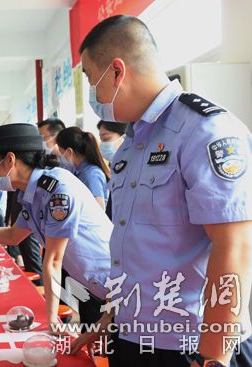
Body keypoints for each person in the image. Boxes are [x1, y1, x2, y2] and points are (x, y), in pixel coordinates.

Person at [72, 15, 252, 367]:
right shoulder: (131, 145)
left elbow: (236, 248)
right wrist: (109, 321)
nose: (96, 96)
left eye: (94, 82)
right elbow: (129, 252)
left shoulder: (205, 131)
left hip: (191, 346)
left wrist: (215, 356)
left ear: (117, 72)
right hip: (133, 338)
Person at [0, 123, 112, 329]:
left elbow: (53, 260)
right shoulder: (31, 193)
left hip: (114, 283)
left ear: (10, 160)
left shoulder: (57, 190)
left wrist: (52, 319)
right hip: (91, 285)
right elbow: (13, 235)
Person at [56, 127, 110, 209]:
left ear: (69, 152)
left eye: (61, 153)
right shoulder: (79, 172)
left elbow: (98, 210)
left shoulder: (91, 175)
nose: (60, 157)